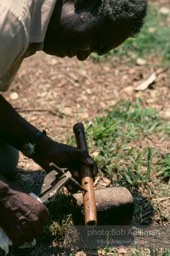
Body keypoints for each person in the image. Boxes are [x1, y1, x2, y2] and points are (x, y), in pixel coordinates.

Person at [0, 0, 147, 247]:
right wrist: (5, 196)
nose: (82, 55)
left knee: (4, 159)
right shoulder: (11, 23)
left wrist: (42, 146)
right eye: (94, 40)